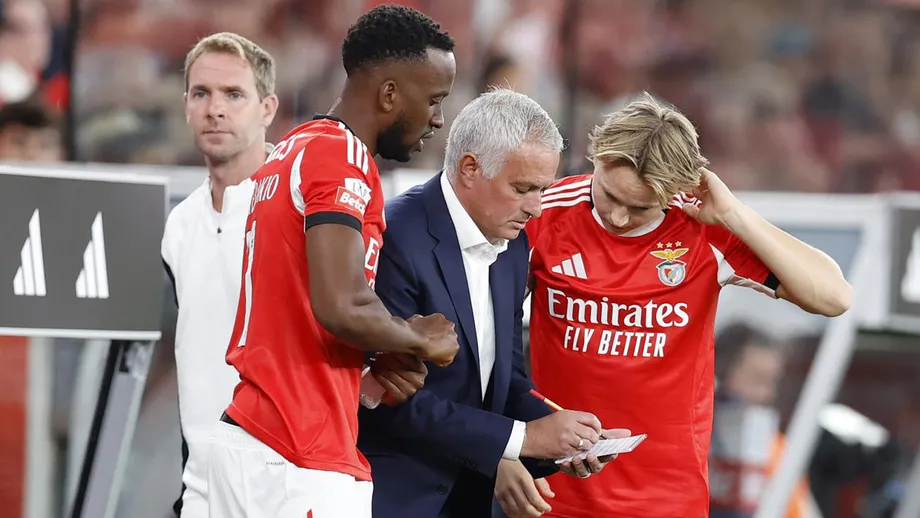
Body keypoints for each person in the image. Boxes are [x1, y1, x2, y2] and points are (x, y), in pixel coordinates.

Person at [522, 93, 852, 518]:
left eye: (640, 207)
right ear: (597, 158)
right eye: (609, 195)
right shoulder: (543, 215)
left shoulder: (702, 230)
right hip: (551, 496)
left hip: (668, 502)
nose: (619, 218)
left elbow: (834, 296)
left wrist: (734, 212)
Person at [207, 6, 460, 517]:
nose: (437, 118)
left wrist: (374, 354)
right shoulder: (340, 157)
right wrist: (418, 338)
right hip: (297, 451)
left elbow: (299, 303)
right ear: (390, 94)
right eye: (433, 100)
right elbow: (339, 302)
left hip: (253, 436)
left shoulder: (293, 148)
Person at [357, 88, 626, 518]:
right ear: (469, 168)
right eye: (523, 188)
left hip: (470, 499)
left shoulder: (512, 243)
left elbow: (506, 382)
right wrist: (524, 438)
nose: (537, 208)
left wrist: (565, 445)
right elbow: (385, 399)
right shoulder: (397, 236)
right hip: (392, 498)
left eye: (543, 189)